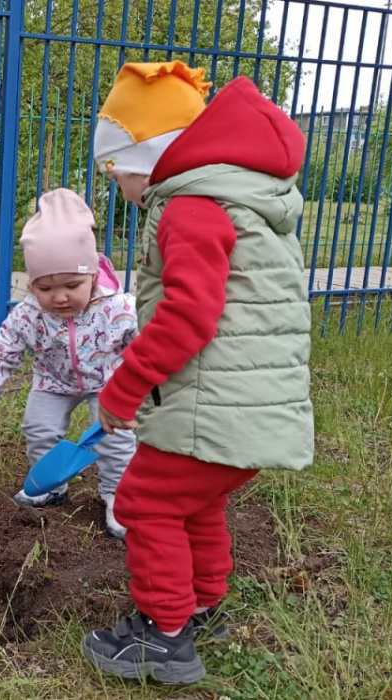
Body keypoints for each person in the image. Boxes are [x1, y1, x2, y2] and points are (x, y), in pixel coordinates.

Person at [79, 62, 314, 684]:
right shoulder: (238, 193)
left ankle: (165, 638)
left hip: (219, 400)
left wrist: (123, 389)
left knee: (144, 501)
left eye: (114, 169)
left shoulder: (192, 205)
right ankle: (201, 604)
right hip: (245, 403)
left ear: (149, 154)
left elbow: (189, 315)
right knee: (195, 500)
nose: (116, 184)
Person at [0, 188, 138, 539]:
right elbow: (0, 352)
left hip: (109, 383)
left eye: (72, 285)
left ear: (93, 275)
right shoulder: (29, 314)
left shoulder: (120, 309)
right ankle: (51, 483)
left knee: (114, 437)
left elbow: (154, 343)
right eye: (44, 288)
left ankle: (120, 493)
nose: (58, 297)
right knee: (39, 429)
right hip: (53, 383)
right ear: (32, 285)